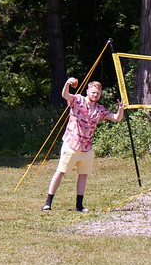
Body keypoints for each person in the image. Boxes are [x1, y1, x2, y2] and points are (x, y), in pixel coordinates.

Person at [42, 77, 125, 212]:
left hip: (87, 148)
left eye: (98, 93)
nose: (95, 95)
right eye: (93, 92)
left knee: (83, 175)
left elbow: (117, 118)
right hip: (72, 144)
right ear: (88, 91)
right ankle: (48, 203)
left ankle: (79, 206)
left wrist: (121, 109)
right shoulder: (78, 100)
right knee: (61, 171)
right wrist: (67, 84)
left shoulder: (99, 109)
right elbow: (65, 95)